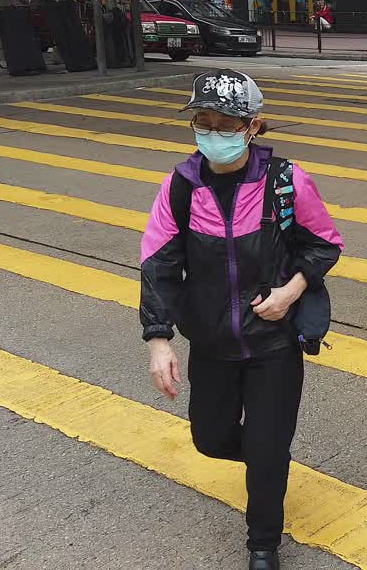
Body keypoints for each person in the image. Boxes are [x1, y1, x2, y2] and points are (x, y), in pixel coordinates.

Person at [141, 69, 344, 570]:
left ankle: (263, 546)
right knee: (210, 440)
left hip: (274, 345)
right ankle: (267, 463)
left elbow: (325, 245)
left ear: (252, 127)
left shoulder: (286, 182)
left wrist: (290, 291)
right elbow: (159, 265)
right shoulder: (180, 188)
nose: (212, 132)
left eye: (225, 124)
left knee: (267, 447)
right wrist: (158, 340)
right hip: (212, 345)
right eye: (202, 121)